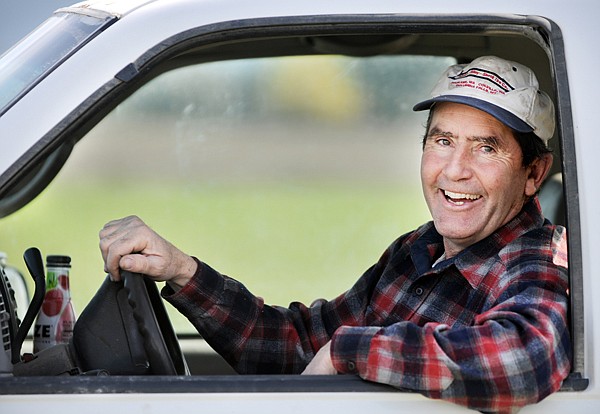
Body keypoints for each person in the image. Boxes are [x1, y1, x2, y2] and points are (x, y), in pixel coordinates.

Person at [99, 56, 571, 413]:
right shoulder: (417, 251)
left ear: (533, 174)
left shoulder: (537, 259)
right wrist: (183, 272)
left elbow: (527, 357)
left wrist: (350, 350)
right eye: (442, 141)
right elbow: (298, 346)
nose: (454, 170)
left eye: (485, 148)